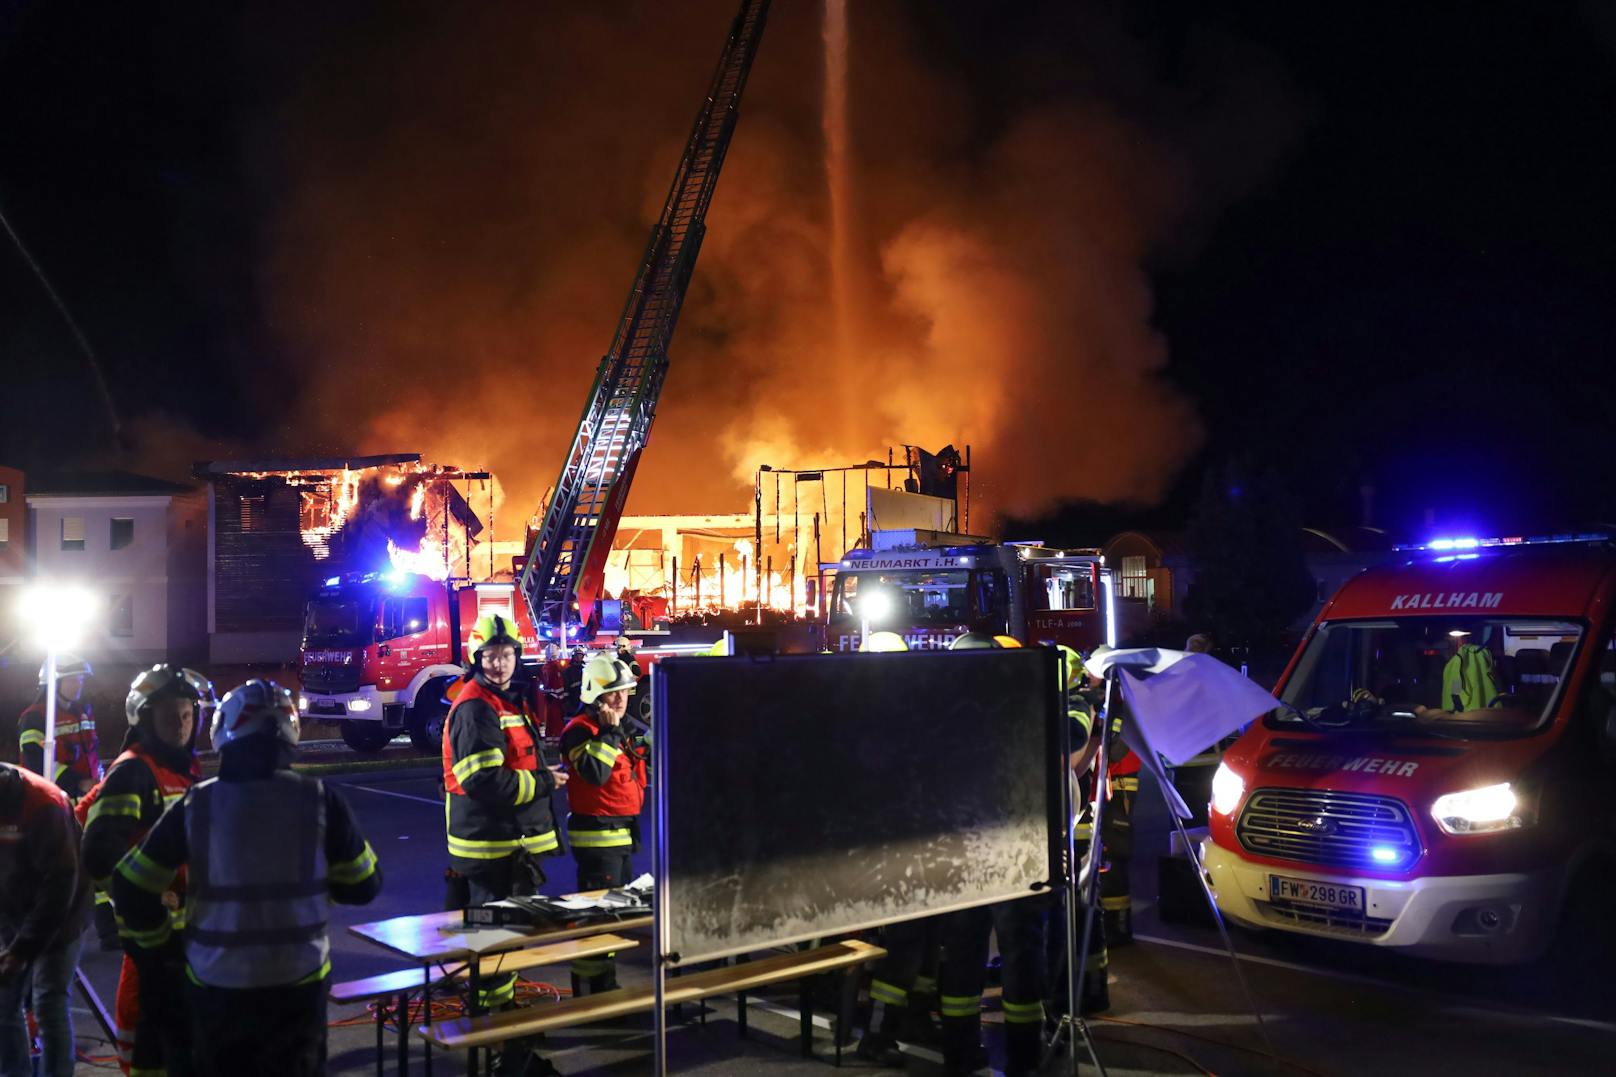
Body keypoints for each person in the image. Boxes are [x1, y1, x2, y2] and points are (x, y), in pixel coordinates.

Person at [112, 679, 381, 1077]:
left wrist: (163, 947)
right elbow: (364, 884)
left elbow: (130, 885)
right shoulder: (320, 800)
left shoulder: (198, 803)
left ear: (224, 731)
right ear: (290, 733)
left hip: (217, 988)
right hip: (298, 989)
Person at [443, 614, 566, 1074]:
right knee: (493, 941)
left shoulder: (503, 701)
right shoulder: (477, 707)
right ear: (478, 658)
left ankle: (502, 1022)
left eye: (507, 653)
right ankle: (496, 1041)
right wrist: (543, 782)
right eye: (491, 655)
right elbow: (484, 781)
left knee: (505, 938)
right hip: (492, 849)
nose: (500, 662)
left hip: (507, 847)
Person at [78, 665, 210, 1076]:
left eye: (187, 713)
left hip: (186, 938)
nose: (180, 724)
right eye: (169, 713)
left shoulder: (184, 769)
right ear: (145, 716)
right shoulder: (134, 770)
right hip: (153, 941)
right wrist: (147, 899)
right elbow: (100, 851)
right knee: (149, 1049)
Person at [931, 632, 1048, 1076]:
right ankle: (1023, 1059)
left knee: (963, 953)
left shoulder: (941, 715)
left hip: (963, 855)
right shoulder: (1014, 707)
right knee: (1019, 954)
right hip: (1015, 852)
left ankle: (960, 1055)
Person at [560, 651, 648, 996]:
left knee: (611, 917)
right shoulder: (580, 732)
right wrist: (611, 734)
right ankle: (591, 990)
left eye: (625, 692)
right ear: (594, 695)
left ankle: (604, 983)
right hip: (598, 839)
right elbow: (595, 774)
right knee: (596, 918)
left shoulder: (615, 729)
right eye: (613, 692)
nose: (621, 699)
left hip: (621, 835)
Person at [0, 760, 90, 1077]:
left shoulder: (43, 805)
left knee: (49, 1002)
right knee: (4, 1001)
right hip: (13, 909)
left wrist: (21, 950)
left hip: (61, 914)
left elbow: (59, 886)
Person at [18, 654, 101, 799]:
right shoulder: (34, 717)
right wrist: (79, 782)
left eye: (80, 680)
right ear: (53, 683)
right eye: (71, 680)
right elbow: (36, 761)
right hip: (52, 803)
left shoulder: (83, 713)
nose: (78, 685)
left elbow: (92, 754)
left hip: (87, 802)